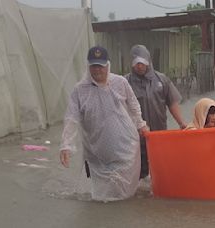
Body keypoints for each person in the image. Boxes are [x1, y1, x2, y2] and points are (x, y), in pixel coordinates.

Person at [59, 46, 148, 201]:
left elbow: (134, 105)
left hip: (125, 148)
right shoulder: (80, 90)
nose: (97, 70)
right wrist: (66, 145)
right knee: (101, 196)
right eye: (93, 66)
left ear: (108, 65)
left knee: (125, 195)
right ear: (88, 67)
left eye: (100, 66)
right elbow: (71, 118)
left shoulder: (120, 82)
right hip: (97, 152)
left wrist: (141, 125)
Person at [125, 44, 186, 179]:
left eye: (142, 63)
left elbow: (172, 103)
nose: (139, 66)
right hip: (135, 140)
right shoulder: (125, 83)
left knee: (161, 173)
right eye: (136, 63)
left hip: (159, 136)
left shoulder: (162, 80)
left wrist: (182, 123)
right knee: (138, 177)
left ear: (148, 61)